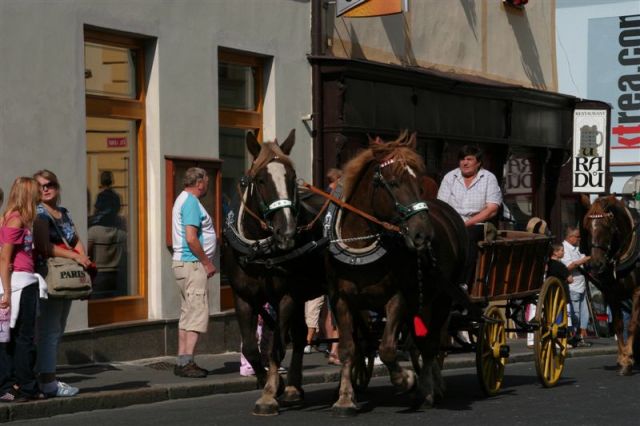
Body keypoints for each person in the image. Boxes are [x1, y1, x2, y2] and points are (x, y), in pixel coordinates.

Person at [33, 169, 91, 398]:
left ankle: (46, 375)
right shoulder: (39, 214)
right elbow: (43, 246)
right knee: (48, 330)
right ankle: (47, 380)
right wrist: (76, 257)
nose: (45, 189)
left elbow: (75, 240)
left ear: (57, 187)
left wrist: (82, 258)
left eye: (50, 185)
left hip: (65, 276)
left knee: (57, 329)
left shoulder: (62, 213)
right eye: (40, 186)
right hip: (49, 276)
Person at [0, 177, 47, 402]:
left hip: (25, 281)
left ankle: (22, 383)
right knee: (23, 337)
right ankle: (26, 386)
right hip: (19, 284)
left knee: (21, 337)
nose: (40, 194)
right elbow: (4, 257)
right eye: (36, 191)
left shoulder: (24, 220)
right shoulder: (15, 219)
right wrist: (7, 292)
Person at [172, 167, 216, 378]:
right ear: (199, 183)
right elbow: (191, 237)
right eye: (206, 181)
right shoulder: (190, 202)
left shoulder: (182, 199)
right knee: (197, 312)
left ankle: (182, 359)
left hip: (183, 264)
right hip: (192, 264)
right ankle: (187, 361)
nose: (207, 185)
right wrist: (207, 262)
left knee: (187, 313)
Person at [437, 145, 502, 288]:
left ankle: (462, 282)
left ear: (478, 162)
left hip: (477, 224)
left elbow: (491, 209)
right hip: (451, 221)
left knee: (468, 235)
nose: (464, 163)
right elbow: (441, 205)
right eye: (462, 159)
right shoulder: (450, 177)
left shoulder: (488, 178)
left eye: (469, 159)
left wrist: (465, 224)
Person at [88, 171, 127, 299]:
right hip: (118, 275)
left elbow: (88, 255)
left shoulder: (93, 231)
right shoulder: (122, 233)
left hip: (99, 275)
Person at [561, 226, 592, 348]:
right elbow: (568, 266)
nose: (579, 239)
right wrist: (586, 259)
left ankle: (580, 337)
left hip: (581, 285)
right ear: (570, 237)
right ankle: (572, 337)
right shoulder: (564, 249)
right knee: (575, 314)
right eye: (577, 237)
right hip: (573, 286)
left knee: (584, 314)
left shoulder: (576, 248)